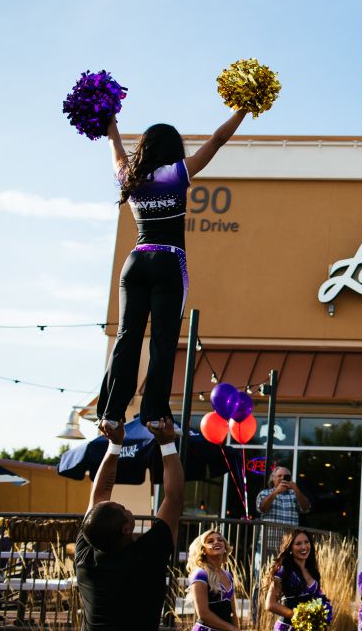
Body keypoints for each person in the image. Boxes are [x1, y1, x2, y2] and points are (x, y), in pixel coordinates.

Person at [95, 110, 250, 428]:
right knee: (162, 341)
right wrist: (244, 110)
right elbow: (218, 140)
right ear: (173, 148)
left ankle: (111, 413)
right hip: (168, 261)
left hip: (135, 262)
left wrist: (109, 121)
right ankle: (153, 414)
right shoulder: (177, 173)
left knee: (127, 337)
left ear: (146, 148)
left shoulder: (129, 175)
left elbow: (115, 143)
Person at [69, 417, 183, 631]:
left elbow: (99, 495)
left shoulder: (87, 556)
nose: (124, 505)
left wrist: (114, 446)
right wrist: (167, 444)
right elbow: (174, 497)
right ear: (126, 529)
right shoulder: (146, 556)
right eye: (124, 510)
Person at [265, 529, 327, 631]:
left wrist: (320, 618)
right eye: (298, 543)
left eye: (306, 542)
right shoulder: (283, 571)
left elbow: (317, 598)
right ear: (290, 548)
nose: (303, 547)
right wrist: (299, 616)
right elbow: (270, 604)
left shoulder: (312, 570)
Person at [185, 530, 245, 631]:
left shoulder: (228, 575)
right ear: (203, 550)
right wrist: (231, 629)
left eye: (220, 540)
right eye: (210, 541)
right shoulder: (200, 574)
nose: (216, 542)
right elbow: (203, 613)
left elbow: (233, 612)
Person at [257, 464, 311, 561]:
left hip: (289, 546)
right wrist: (275, 492)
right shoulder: (264, 493)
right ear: (273, 479)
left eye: (286, 476)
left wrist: (296, 489)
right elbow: (262, 508)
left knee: (287, 575)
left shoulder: (295, 495)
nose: (282, 478)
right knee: (264, 574)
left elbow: (306, 508)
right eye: (279, 476)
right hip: (268, 545)